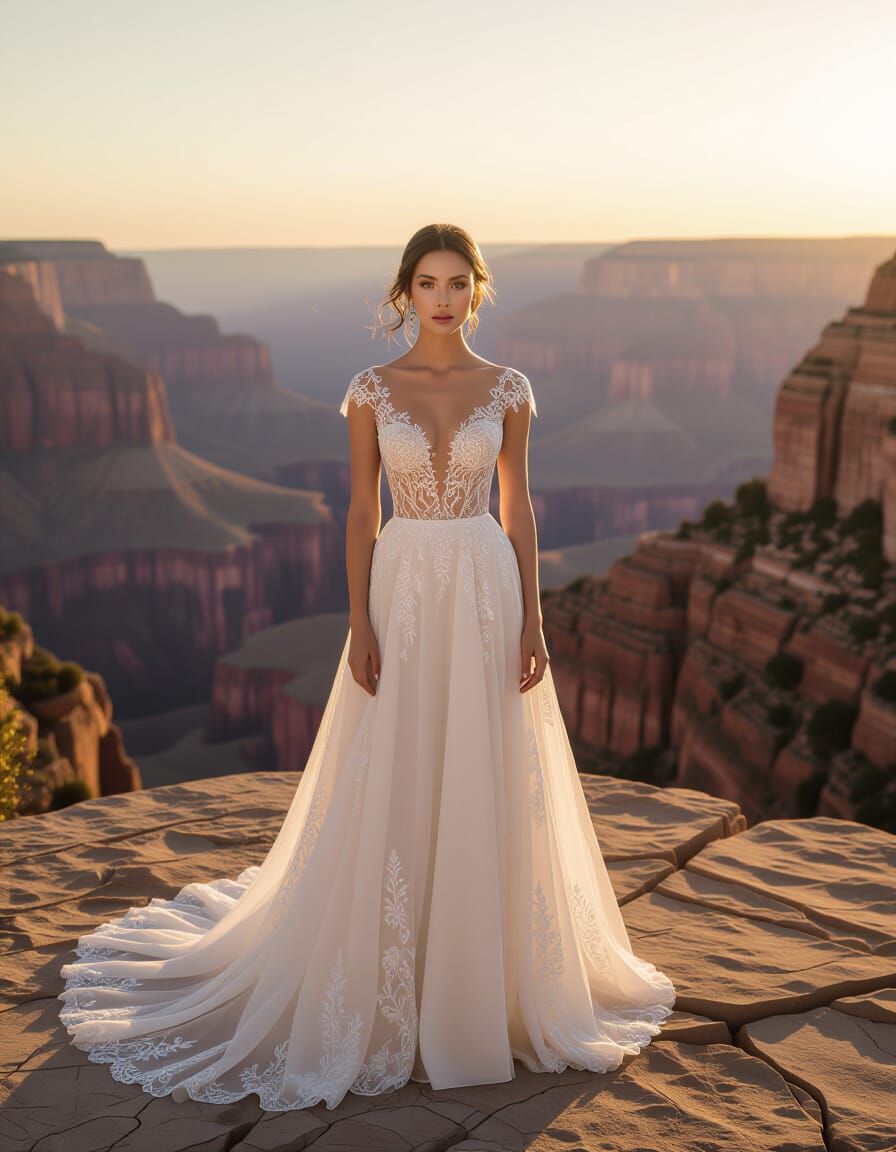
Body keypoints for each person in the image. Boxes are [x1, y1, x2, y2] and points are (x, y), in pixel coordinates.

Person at [57, 223, 676, 1112]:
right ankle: (390, 976)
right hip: (406, 588)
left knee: (485, 761)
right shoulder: (370, 391)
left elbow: (521, 509)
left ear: (478, 290)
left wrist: (536, 619)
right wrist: (359, 620)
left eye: (458, 282)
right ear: (404, 293)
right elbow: (359, 516)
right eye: (427, 283)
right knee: (399, 761)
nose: (443, 298)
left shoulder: (510, 389)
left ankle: (485, 984)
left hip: (485, 589)